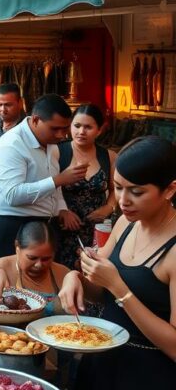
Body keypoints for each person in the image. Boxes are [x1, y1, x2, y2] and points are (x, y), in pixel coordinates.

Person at [58, 136, 176, 390]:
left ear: (169, 190)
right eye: (118, 187)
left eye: (136, 191)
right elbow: (101, 291)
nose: (123, 200)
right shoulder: (125, 223)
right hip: (102, 363)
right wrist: (74, 276)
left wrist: (120, 289)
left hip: (148, 380)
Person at [0, 94, 81, 262]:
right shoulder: (11, 145)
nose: (61, 135)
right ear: (35, 120)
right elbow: (13, 195)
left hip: (43, 226)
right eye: (55, 128)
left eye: (65, 129)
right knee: (8, 283)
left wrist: (61, 208)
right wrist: (59, 179)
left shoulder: (51, 144)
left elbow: (53, 186)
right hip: (11, 225)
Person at [57, 104, 117, 269]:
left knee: (92, 274)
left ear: (99, 130)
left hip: (97, 228)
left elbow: (116, 189)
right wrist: (61, 211)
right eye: (77, 126)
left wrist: (109, 207)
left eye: (88, 127)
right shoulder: (57, 152)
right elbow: (50, 187)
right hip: (64, 228)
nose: (81, 131)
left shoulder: (109, 156)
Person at [0, 220, 69, 315]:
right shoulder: (1, 266)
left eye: (46, 259)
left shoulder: (63, 273)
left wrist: (74, 276)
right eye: (32, 258)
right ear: (17, 247)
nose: (39, 264)